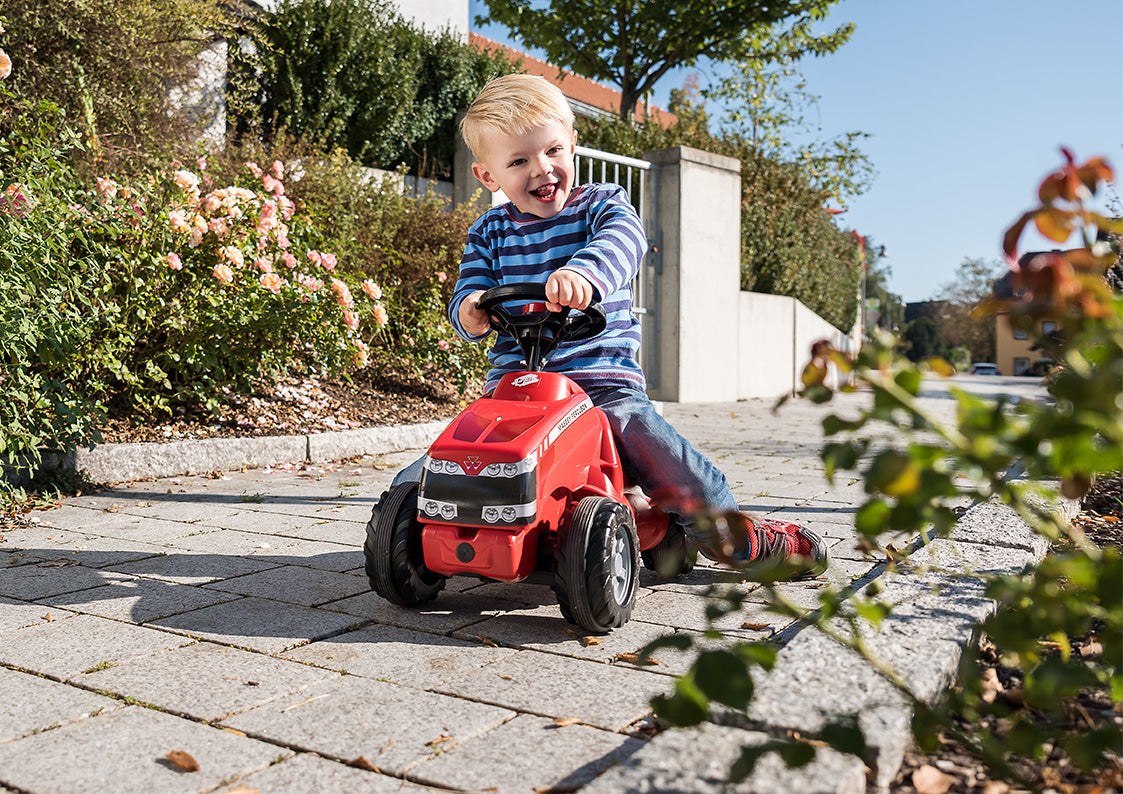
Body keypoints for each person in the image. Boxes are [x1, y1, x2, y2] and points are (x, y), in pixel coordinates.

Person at [393, 73, 827, 576]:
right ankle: (411, 522)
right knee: (438, 465)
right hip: (514, 394)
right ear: (488, 177)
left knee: (679, 472)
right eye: (518, 162)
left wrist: (584, 273)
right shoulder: (489, 231)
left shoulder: (601, 204)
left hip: (603, 386)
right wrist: (469, 309)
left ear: (573, 142)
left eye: (553, 150)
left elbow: (624, 241)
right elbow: (469, 291)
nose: (542, 169)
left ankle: (738, 538)